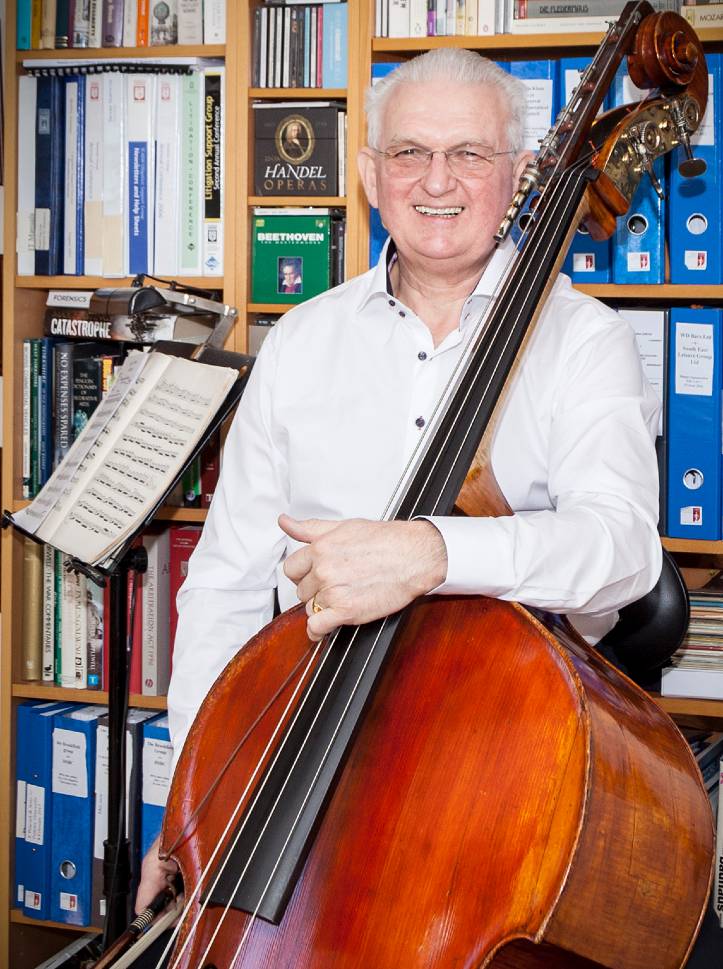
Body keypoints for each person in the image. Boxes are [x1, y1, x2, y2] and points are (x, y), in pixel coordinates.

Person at [136, 47, 663, 927]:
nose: (437, 182)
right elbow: (225, 585)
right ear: (369, 173)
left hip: (502, 754)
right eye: (410, 153)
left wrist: (430, 552)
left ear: (518, 174)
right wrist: (191, 798)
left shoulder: (585, 338)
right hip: (310, 740)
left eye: (469, 154)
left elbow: (621, 550)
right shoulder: (301, 341)